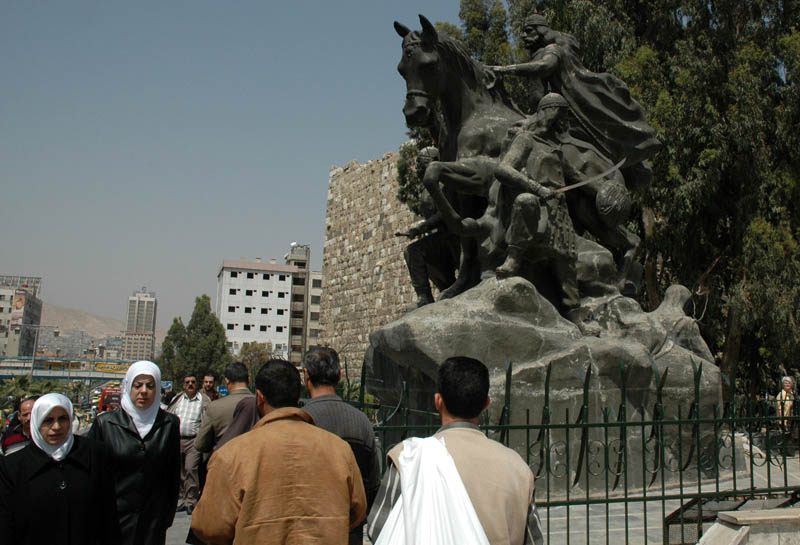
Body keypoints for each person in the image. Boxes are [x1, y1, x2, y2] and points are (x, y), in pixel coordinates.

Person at [368, 356, 542, 545]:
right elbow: (534, 541)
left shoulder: (409, 458)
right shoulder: (518, 469)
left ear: (438, 401)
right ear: (486, 403)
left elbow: (378, 528)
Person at [191, 359, 367, 545]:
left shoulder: (231, 455)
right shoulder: (340, 450)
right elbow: (357, 512)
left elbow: (209, 527)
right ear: (300, 394)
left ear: (259, 397)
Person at [489, 13, 659, 190]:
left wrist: (505, 70)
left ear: (541, 31)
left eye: (529, 31)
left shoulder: (553, 49)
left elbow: (545, 66)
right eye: (523, 32)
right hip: (547, 108)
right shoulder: (540, 52)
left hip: (564, 109)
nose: (523, 36)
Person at [0, 393, 121, 544]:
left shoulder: (95, 455)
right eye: (48, 420)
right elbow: (6, 526)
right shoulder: (13, 466)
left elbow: (109, 517)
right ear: (36, 422)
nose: (56, 427)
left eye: (62, 419)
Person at [89, 360, 181, 545]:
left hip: (152, 522)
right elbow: (92, 475)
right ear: (128, 386)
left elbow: (172, 475)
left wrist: (165, 516)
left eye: (150, 385)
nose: (144, 391)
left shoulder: (169, 424)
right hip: (114, 519)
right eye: (138, 385)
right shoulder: (105, 424)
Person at [302, 346, 381, 545]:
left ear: (306, 376)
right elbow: (373, 483)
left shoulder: (299, 421)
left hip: (306, 528)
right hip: (348, 529)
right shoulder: (362, 422)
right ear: (340, 375)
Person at [398, 146, 460, 307]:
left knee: (415, 251)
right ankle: (432, 294)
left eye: (421, 163)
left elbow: (446, 212)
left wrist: (423, 227)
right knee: (417, 254)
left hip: (453, 236)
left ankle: (425, 297)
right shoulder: (427, 187)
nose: (418, 167)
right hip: (440, 236)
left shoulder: (444, 183)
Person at [167, 373, 210, 514]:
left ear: (197, 384)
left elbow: (208, 421)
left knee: (190, 469)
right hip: (177, 440)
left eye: (193, 382)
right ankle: (183, 500)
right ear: (183, 385)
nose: (190, 384)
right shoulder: (178, 399)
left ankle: (190, 501)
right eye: (187, 382)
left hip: (194, 441)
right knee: (179, 471)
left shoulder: (203, 400)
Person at [195, 363, 254, 454]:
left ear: (227, 381)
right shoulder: (262, 404)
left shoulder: (215, 406)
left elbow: (200, 444)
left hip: (225, 460)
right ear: (249, 380)